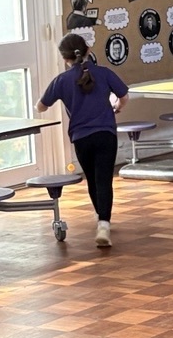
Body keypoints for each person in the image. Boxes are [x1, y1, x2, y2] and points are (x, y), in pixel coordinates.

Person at [36, 33, 129, 249]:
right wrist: (117, 107)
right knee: (104, 179)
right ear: (88, 50)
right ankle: (103, 224)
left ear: (64, 58)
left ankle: (99, 215)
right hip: (106, 134)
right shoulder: (104, 73)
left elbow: (41, 106)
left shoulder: (61, 80)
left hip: (81, 138)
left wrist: (37, 106)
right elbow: (124, 97)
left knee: (93, 180)